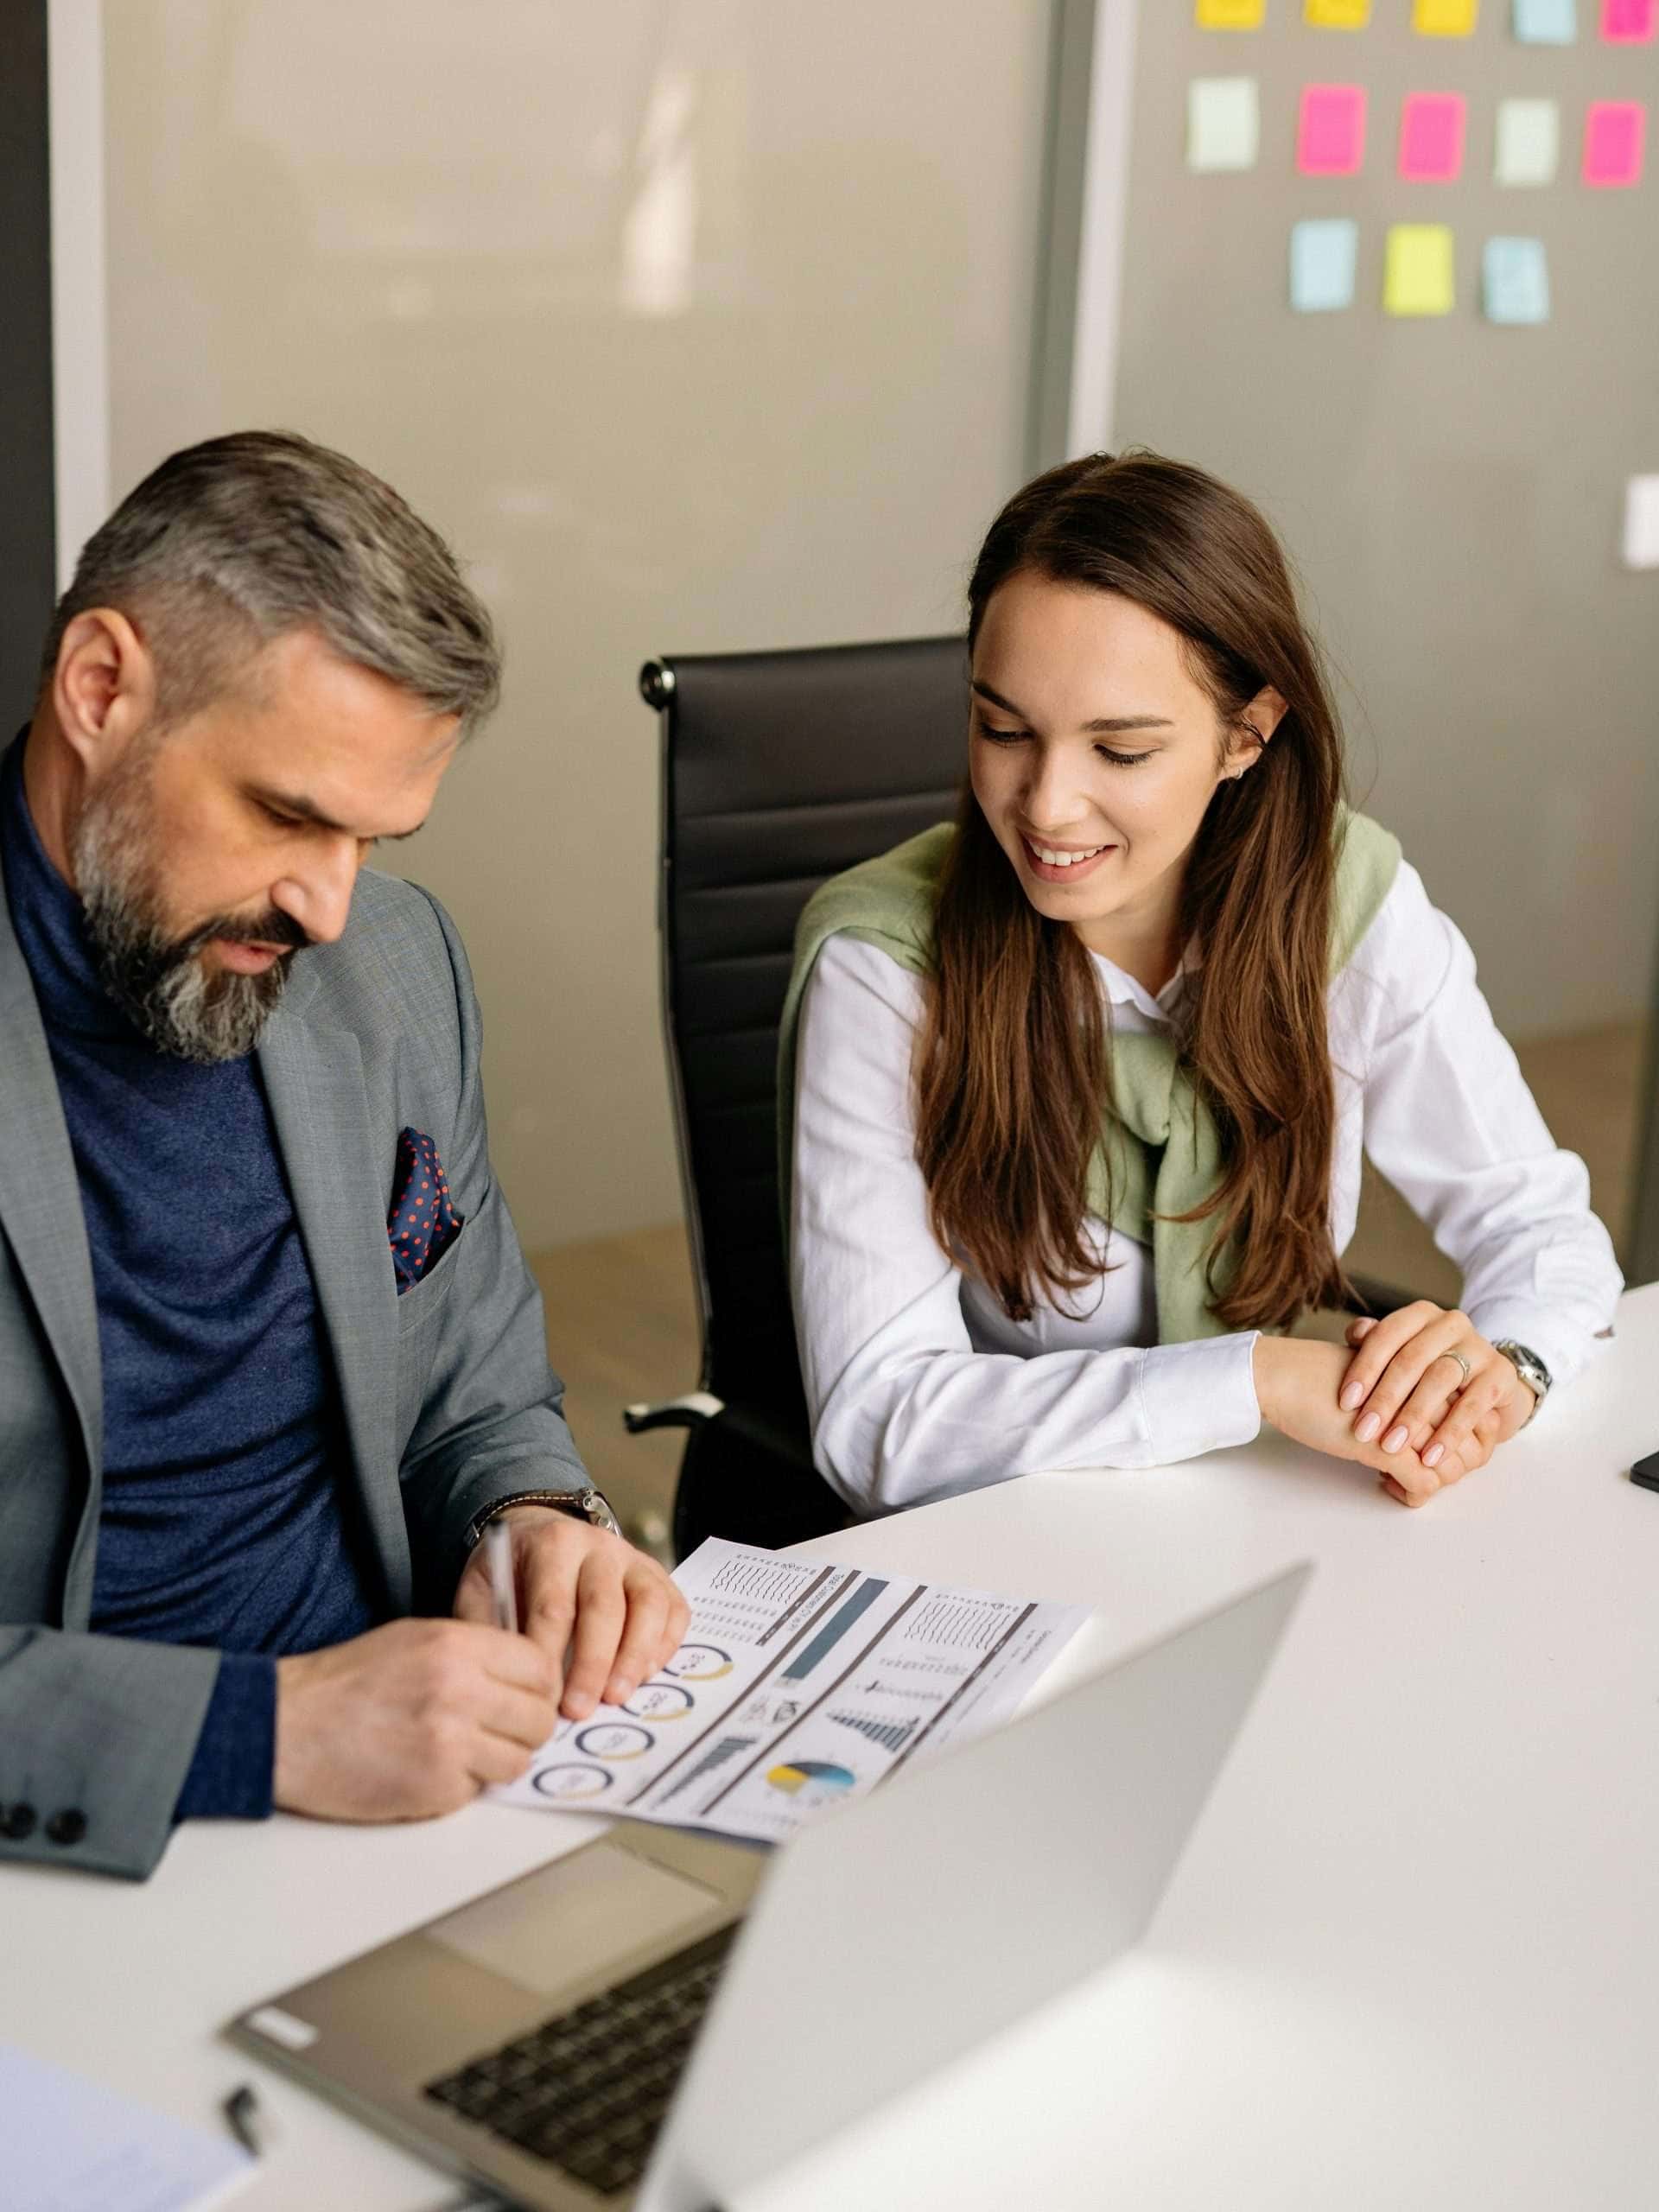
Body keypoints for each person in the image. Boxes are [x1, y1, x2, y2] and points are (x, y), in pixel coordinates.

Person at [0, 431, 687, 1880]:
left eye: (375, 838)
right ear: (102, 688)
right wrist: (259, 1734)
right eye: (290, 815)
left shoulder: (392, 962)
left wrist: (533, 1515)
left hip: (422, 1787)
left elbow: (474, 1388)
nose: (327, 908)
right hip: (89, 1847)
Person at [782, 452, 1622, 1517]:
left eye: (1120, 749)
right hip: (1010, 1539)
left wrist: (1499, 1375)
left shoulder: (1344, 904)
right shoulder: (887, 965)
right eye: (1004, 730)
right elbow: (879, 1425)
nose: (1046, 805)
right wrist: (1256, 1379)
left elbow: (1540, 1227)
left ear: (1247, 735)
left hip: (1247, 1516)